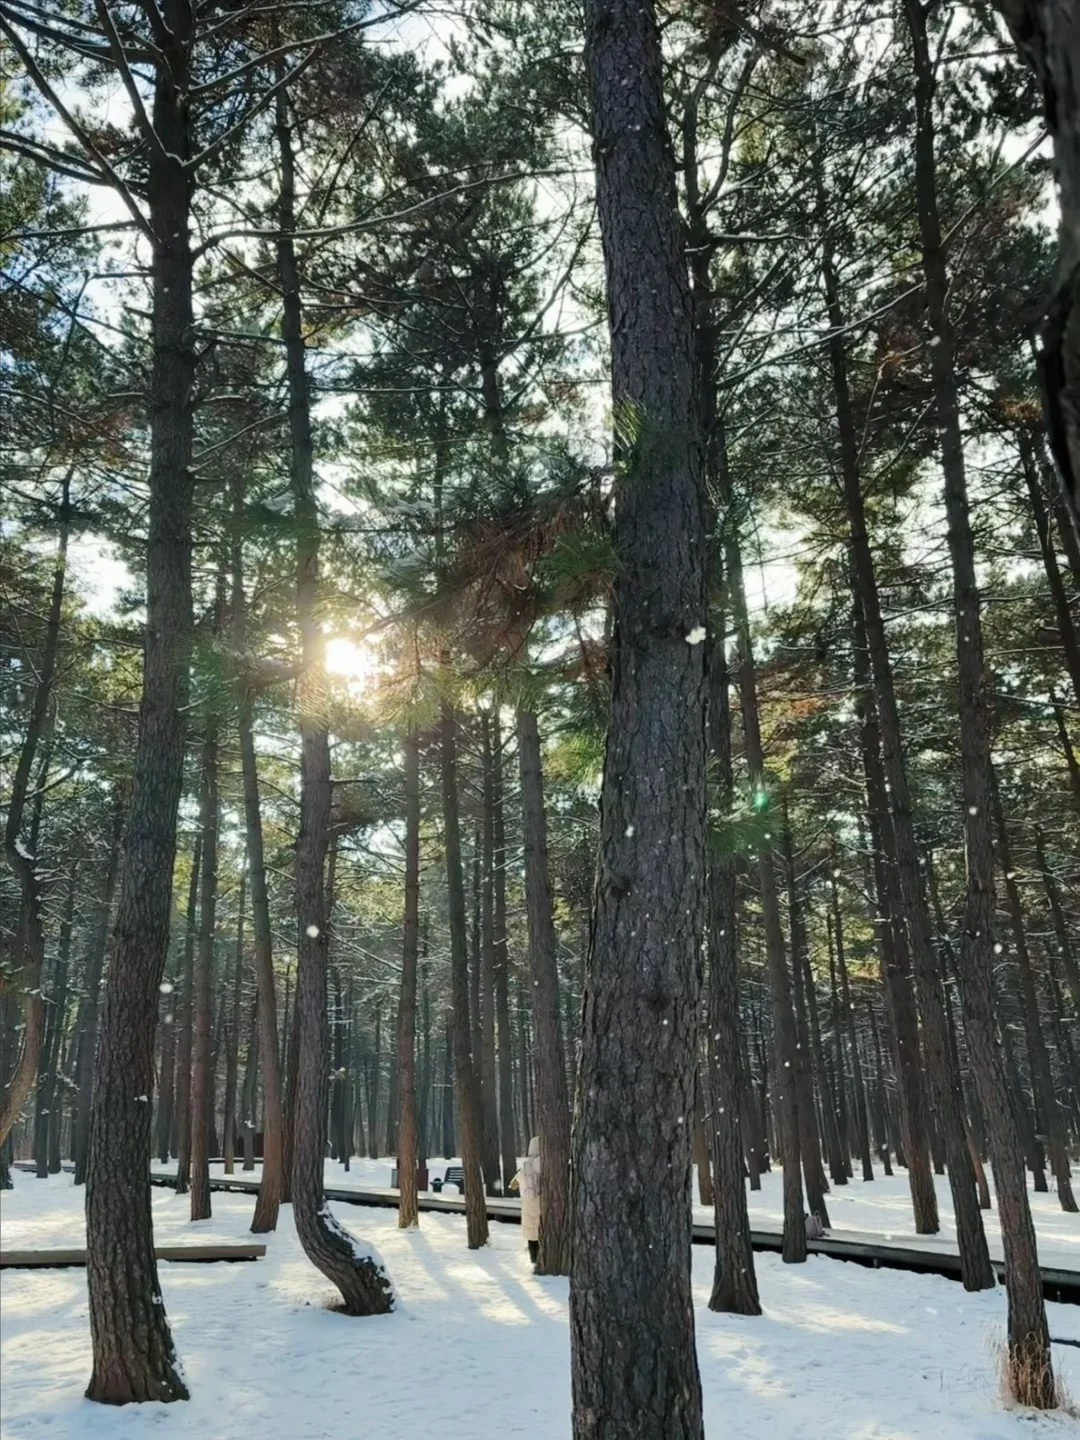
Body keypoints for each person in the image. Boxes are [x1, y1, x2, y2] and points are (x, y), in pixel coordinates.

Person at [509, 1136, 541, 1265]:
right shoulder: (548, 1164)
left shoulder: (526, 1167)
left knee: (531, 1234)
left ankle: (534, 1259)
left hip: (528, 1204)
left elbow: (512, 1185)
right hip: (543, 1204)